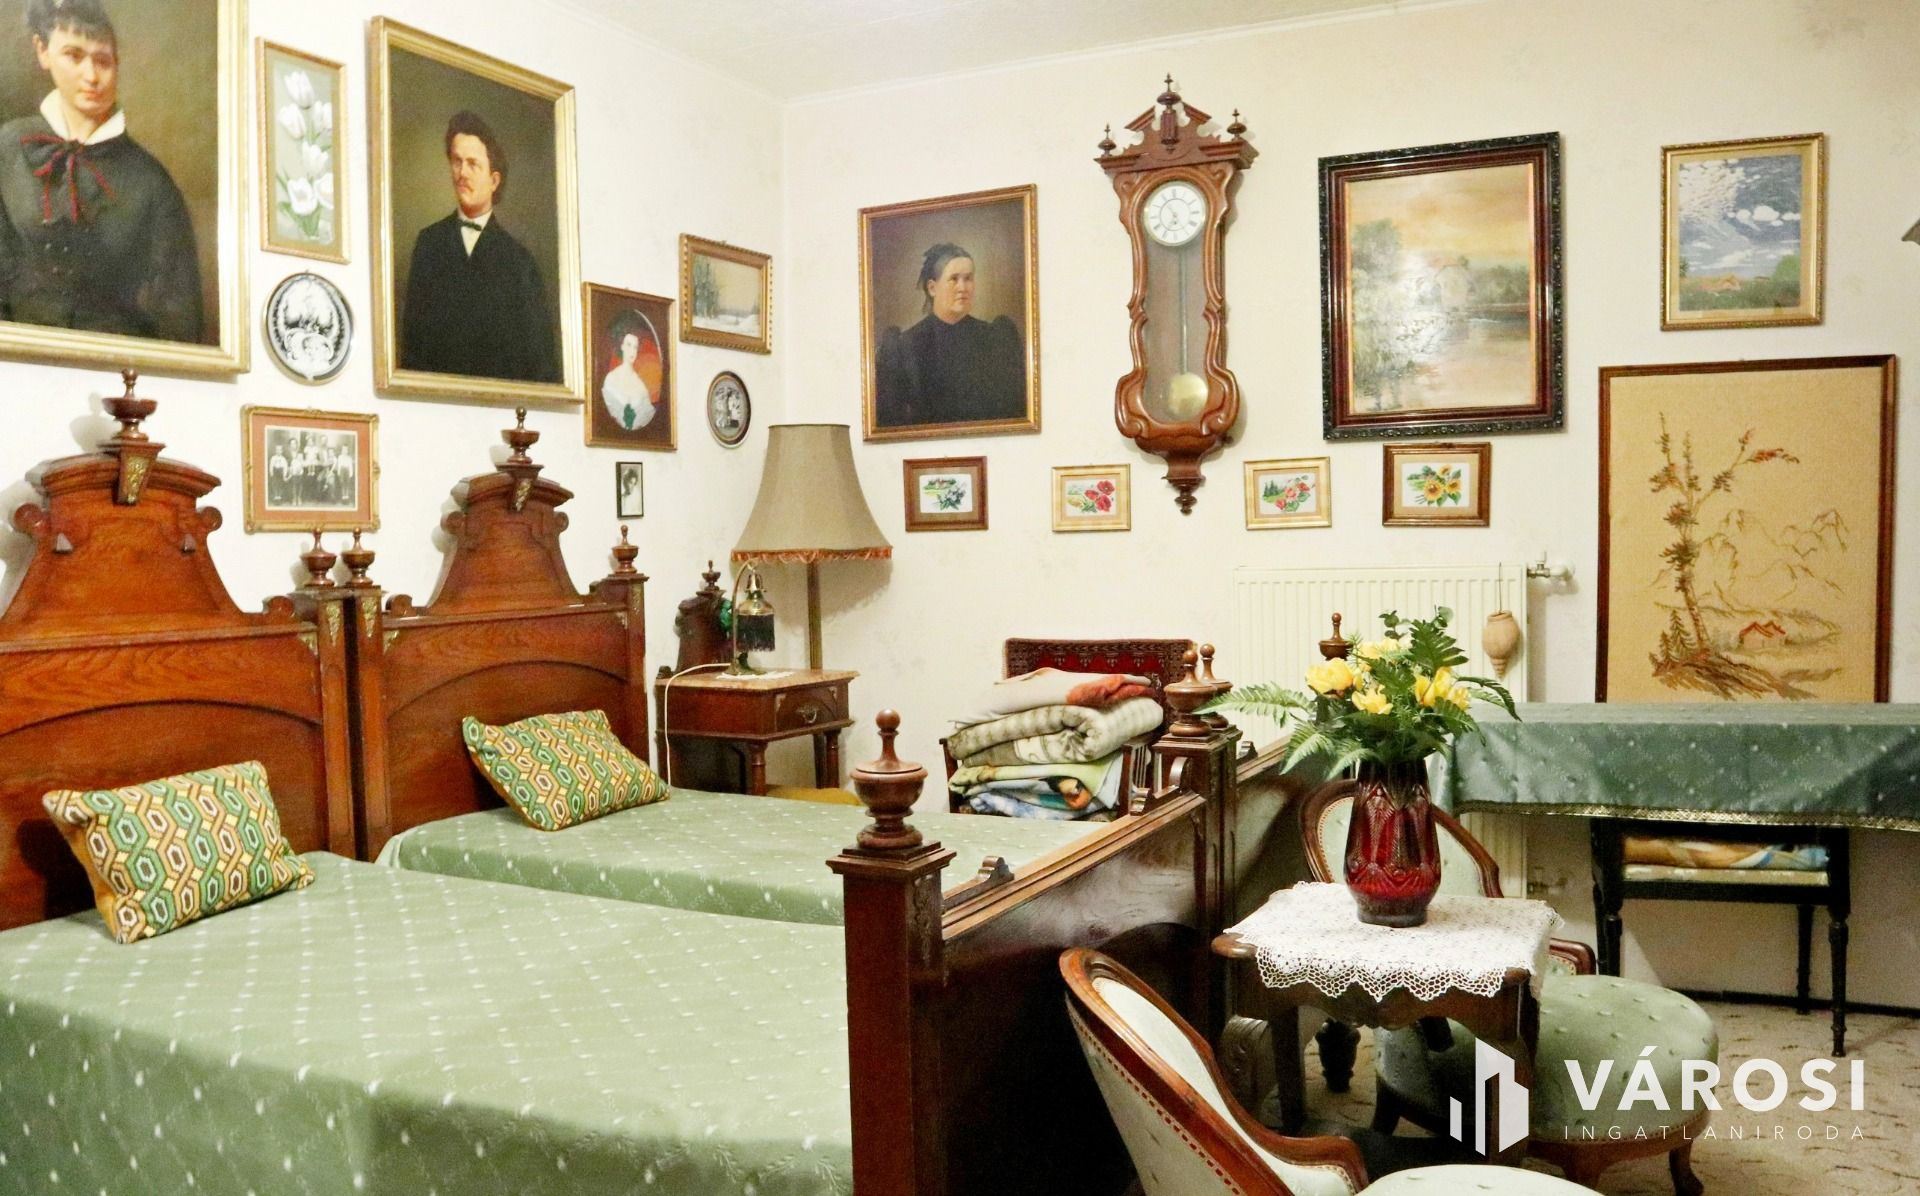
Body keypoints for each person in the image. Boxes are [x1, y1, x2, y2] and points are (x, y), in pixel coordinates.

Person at [0, 0, 204, 342]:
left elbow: (178, 318)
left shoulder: (151, 182)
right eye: (74, 56)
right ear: (43, 51)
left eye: (103, 61)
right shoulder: (7, 148)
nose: (91, 76)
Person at [399, 110, 558, 383]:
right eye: (457, 161)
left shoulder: (520, 262)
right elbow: (412, 346)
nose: (462, 173)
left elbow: (538, 363)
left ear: (494, 180)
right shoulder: (428, 244)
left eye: (473, 164)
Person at [872, 242, 1025, 429]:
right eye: (954, 279)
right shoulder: (905, 346)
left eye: (968, 278)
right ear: (932, 288)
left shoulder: (995, 338)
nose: (963, 287)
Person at [600, 314, 656, 430]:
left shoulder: (640, 385)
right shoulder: (611, 378)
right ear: (622, 346)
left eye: (635, 347)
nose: (632, 351)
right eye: (629, 345)